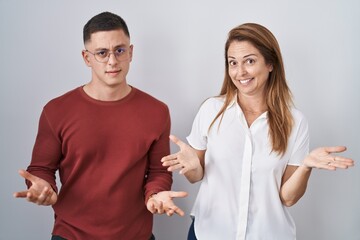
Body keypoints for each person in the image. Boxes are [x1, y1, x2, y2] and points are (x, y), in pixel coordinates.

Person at [161, 23, 354, 240]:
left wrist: (306, 166)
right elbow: (196, 176)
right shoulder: (211, 110)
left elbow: (287, 198)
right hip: (209, 233)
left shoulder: (295, 122)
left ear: (270, 63)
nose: (240, 72)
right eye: (233, 63)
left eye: (250, 61)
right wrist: (192, 167)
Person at [13, 11, 187, 240]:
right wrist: (44, 188)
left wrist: (155, 194)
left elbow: (158, 171)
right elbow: (42, 169)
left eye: (120, 50)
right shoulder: (56, 110)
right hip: (71, 234)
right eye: (102, 53)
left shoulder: (157, 111)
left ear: (131, 52)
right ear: (87, 58)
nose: (112, 61)